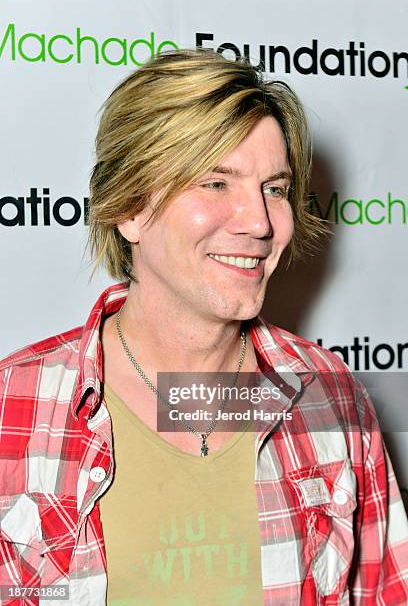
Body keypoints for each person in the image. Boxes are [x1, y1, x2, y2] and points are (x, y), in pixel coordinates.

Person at [0, 48, 407, 606]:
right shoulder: (12, 404)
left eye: (275, 188)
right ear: (131, 208)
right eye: (217, 183)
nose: (261, 223)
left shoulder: (330, 398)